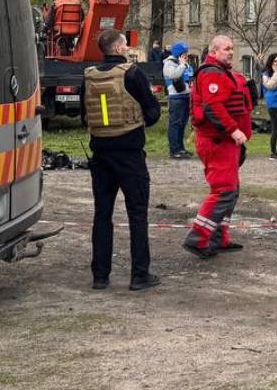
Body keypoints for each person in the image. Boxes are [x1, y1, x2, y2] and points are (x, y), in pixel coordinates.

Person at [80, 27, 162, 291]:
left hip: (100, 154)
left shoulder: (89, 77)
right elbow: (152, 112)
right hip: (129, 153)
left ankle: (100, 276)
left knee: (102, 214)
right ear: (116, 48)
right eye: (125, 45)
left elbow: (85, 115)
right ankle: (139, 275)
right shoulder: (132, 74)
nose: (127, 49)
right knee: (137, 214)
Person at [183, 34, 252, 258]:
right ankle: (198, 237)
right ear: (213, 52)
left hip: (224, 142)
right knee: (224, 191)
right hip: (217, 141)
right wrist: (234, 130)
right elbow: (213, 108)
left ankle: (217, 236)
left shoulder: (221, 73)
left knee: (231, 191)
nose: (231, 52)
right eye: (226, 49)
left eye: (232, 48)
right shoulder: (212, 73)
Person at [162, 41, 193, 160]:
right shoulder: (169, 63)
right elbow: (174, 75)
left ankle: (181, 148)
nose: (186, 54)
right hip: (176, 97)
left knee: (182, 124)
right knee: (175, 124)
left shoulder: (183, 63)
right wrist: (182, 65)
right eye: (184, 52)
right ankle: (174, 150)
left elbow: (189, 75)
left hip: (185, 96)